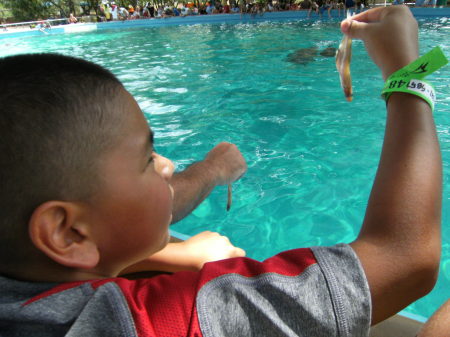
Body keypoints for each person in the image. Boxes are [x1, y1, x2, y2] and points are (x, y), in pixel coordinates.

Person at [0, 5, 443, 336]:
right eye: (146, 160)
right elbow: (405, 259)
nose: (166, 164)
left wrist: (172, 247)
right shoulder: (153, 322)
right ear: (66, 233)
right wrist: (409, 75)